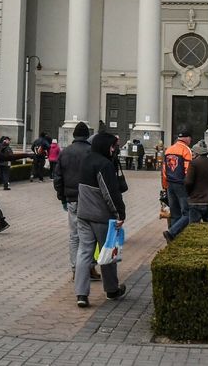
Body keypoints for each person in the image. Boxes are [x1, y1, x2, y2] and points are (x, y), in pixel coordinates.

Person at [74, 131, 127, 308]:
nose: (114, 149)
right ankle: (112, 290)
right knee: (108, 253)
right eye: (113, 146)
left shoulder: (86, 160)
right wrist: (120, 214)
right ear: (106, 146)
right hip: (101, 217)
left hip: (83, 214)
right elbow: (110, 193)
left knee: (84, 252)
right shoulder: (104, 165)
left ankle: (81, 294)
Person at [54, 122, 98, 280]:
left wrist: (62, 198)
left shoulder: (65, 152)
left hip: (72, 199)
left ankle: (75, 269)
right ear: (87, 135)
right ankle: (90, 267)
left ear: (74, 135)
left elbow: (57, 177)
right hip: (90, 200)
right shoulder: (92, 151)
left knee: (74, 236)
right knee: (91, 235)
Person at [165, 140, 208, 242]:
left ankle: (189, 241)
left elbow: (188, 182)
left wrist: (190, 192)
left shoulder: (194, 164)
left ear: (197, 153)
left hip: (196, 200)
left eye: (194, 153)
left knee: (193, 228)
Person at [161, 127, 193, 233]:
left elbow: (164, 170)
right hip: (181, 184)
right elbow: (188, 170)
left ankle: (174, 237)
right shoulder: (186, 150)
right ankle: (172, 233)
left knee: (174, 213)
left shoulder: (169, 149)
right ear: (187, 138)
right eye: (190, 138)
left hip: (170, 184)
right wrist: (190, 186)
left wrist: (165, 186)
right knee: (186, 213)